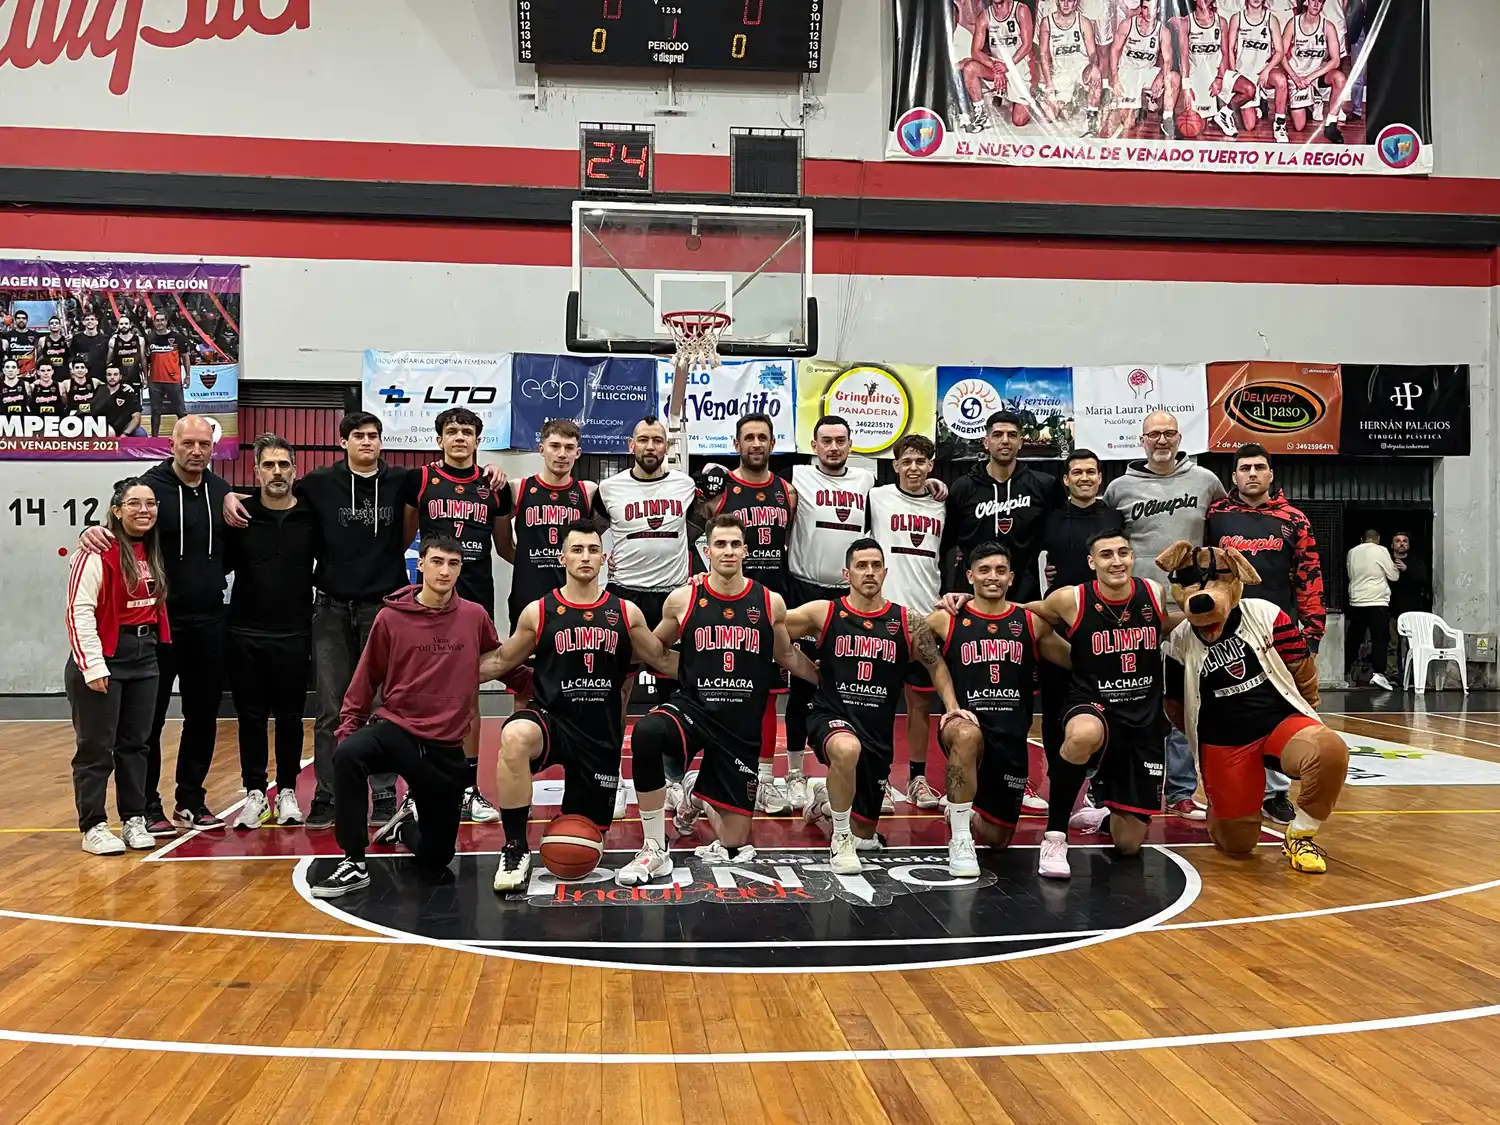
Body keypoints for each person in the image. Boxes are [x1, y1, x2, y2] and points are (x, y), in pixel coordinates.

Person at [616, 514, 819, 886]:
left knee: (732, 844)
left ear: (746, 550)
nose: (728, 551)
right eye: (720, 544)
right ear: (707, 551)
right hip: (694, 708)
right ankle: (653, 847)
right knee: (647, 733)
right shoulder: (684, 597)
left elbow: (787, 657)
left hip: (739, 726)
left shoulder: (769, 602)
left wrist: (827, 680)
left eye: (735, 544)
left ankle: (695, 792)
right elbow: (655, 649)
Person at [487, 519, 679, 890]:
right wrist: (441, 669)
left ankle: (573, 816)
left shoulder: (625, 613)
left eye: (593, 550)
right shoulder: (539, 611)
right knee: (515, 736)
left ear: (604, 558)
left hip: (599, 736)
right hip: (551, 721)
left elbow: (662, 659)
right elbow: (499, 661)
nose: (585, 557)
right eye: (577, 550)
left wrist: (720, 661)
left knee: (581, 846)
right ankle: (514, 848)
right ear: (562, 558)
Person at [310, 538, 504, 898]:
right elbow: (366, 676)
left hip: (444, 747)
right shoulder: (391, 617)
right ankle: (353, 860)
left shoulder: (474, 616)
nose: (445, 571)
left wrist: (542, 688)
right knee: (350, 755)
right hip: (396, 730)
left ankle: (404, 830)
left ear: (461, 568)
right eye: (437, 562)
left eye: (453, 563)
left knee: (437, 858)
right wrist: (349, 729)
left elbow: (500, 662)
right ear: (422, 565)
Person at [81, 415, 231, 834]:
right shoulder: (149, 487)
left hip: (209, 621)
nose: (197, 451)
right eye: (189, 443)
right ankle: (146, 805)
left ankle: (192, 801)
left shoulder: (220, 491)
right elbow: (118, 526)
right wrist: (89, 532)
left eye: (205, 444)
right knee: (148, 722)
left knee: (203, 715)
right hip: (160, 622)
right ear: (172, 444)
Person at [1159, 542, 1348, 873]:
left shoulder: (1265, 614)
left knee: (1328, 750)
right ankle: (1227, 805)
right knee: (1237, 844)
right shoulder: (1178, 642)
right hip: (1225, 743)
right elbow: (1174, 704)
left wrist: (1309, 712)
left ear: (1235, 586)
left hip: (1280, 725)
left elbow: (1301, 666)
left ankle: (1301, 834)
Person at [788, 539, 975, 873]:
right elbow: (770, 624)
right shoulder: (825, 612)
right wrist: (806, 669)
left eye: (876, 565)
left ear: (886, 572)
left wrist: (951, 706)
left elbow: (936, 666)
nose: (869, 572)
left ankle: (826, 802)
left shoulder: (906, 621)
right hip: (830, 717)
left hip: (875, 732)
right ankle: (840, 839)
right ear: (847, 573)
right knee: (846, 749)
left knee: (867, 836)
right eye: (861, 565)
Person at [1025, 531, 1182, 878]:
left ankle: (1106, 811)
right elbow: (1025, 616)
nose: (1116, 561)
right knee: (1081, 735)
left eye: (1123, 553)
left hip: (1143, 718)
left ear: (1132, 557)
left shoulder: (1153, 593)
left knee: (1128, 846)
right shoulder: (1070, 599)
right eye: (1106, 555)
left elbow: (1168, 626)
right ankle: (1055, 836)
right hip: (1093, 703)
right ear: (1091, 562)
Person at [1102, 410, 1225, 822]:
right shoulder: (1118, 489)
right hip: (1134, 610)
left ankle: (1181, 791)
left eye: (1169, 433)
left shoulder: (1206, 481)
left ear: (1178, 437)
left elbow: (1222, 536)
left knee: (1182, 702)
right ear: (1142, 440)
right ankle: (1111, 786)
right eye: (1154, 434)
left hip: (1187, 610)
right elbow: (1105, 541)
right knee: (1125, 698)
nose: (1161, 440)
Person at [399, 406, 513, 823]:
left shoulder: (494, 486)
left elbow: (505, 546)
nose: (460, 437)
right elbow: (405, 538)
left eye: (467, 431)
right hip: (429, 599)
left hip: (476, 596)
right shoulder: (421, 479)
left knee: (468, 694)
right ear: (440, 438)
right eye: (452, 431)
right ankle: (417, 788)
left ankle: (469, 788)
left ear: (478, 440)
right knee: (420, 691)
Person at [927, 542, 1069, 875]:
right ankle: (960, 839)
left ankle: (961, 810)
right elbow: (901, 641)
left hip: (1011, 738)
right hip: (964, 723)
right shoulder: (945, 620)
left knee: (998, 840)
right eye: (985, 570)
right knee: (965, 734)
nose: (993, 577)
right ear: (970, 576)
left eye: (1001, 571)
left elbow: (1078, 659)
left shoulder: (1031, 623)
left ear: (1011, 577)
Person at [1204, 443, 1325, 823]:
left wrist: (1312, 631)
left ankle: (1275, 793)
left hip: (1277, 631)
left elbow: (1309, 576)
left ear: (1271, 474)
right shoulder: (1215, 517)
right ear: (1234, 476)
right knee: (1221, 710)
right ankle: (1218, 791)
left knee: (1277, 709)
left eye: (1259, 467)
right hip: (1225, 631)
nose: (1252, 474)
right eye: (1244, 468)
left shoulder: (1294, 519)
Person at [594, 413, 700, 816]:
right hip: (624, 598)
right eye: (644, 439)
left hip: (673, 599)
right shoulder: (609, 489)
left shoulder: (685, 485)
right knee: (616, 690)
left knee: (679, 688)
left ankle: (674, 780)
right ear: (631, 446)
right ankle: (612, 777)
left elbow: (702, 523)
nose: (651, 446)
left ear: (666, 447)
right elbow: (591, 529)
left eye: (658, 440)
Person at [64, 478, 170, 855]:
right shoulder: (96, 551)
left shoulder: (154, 547)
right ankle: (93, 825)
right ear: (116, 510)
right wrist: (93, 665)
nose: (144, 510)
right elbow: (79, 611)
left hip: (145, 655)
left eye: (151, 503)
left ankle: (134, 818)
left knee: (136, 745)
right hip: (105, 655)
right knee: (96, 747)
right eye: (134, 503)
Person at [784, 414, 877, 814]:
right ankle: (793, 774)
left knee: (856, 683)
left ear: (851, 443)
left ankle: (868, 773)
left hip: (849, 593)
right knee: (802, 684)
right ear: (814, 444)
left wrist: (931, 485)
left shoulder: (868, 483)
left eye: (841, 440)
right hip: (805, 589)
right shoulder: (795, 477)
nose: (834, 447)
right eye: (827, 441)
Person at [226, 435, 320, 829]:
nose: (277, 472)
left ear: (295, 470)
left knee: (290, 717)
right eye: (269, 465)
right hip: (245, 631)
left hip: (295, 632)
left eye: (284, 465)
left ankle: (285, 792)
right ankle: (253, 792)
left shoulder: (311, 516)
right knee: (249, 717)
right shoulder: (238, 515)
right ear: (256, 471)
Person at [707, 412, 796, 813]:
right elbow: (700, 536)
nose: (756, 444)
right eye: (749, 438)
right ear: (737, 443)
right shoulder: (719, 488)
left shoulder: (786, 492)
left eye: (763, 437)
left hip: (772, 600)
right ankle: (710, 772)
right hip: (725, 602)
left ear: (772, 443)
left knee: (768, 695)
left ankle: (762, 777)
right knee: (718, 689)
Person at [869, 434, 949, 811]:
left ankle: (917, 778)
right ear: (896, 464)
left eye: (922, 461)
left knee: (919, 705)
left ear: (931, 466)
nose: (914, 468)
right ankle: (880, 779)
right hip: (884, 615)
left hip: (925, 617)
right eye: (908, 461)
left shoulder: (941, 507)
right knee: (880, 704)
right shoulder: (877, 497)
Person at [1038, 448, 1122, 780]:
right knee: (1055, 702)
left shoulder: (1114, 518)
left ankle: (1099, 782)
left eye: (1091, 472)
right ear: (1066, 479)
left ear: (1101, 478)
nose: (1084, 478)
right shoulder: (1050, 518)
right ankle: (1059, 777)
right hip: (1059, 626)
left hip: (1106, 625)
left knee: (1109, 703)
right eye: (1077, 472)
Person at [941, 411, 1060, 607]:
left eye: (1012, 435)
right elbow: (947, 544)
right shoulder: (962, 488)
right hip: (972, 594)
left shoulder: (1044, 486)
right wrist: (948, 588)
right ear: (986, 442)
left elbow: (1058, 535)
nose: (1005, 440)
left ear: (1020, 442)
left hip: (1026, 594)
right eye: (997, 435)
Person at [495, 418, 595, 634]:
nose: (562, 454)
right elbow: (502, 545)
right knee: (524, 662)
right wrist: (526, 562)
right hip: (528, 593)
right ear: (542, 450)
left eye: (569, 448)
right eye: (555, 446)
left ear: (578, 453)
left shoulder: (587, 491)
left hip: (573, 592)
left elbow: (595, 534)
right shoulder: (518, 488)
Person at [961, 0, 1037, 131]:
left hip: (1018, 69)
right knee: (970, 68)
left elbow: (1027, 45)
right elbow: (975, 51)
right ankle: (981, 113)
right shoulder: (985, 16)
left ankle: (1031, 95)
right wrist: (996, 66)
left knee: (1019, 121)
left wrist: (1007, 66)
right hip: (998, 68)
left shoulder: (1020, 10)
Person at [1109, 0, 1180, 139]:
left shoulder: (1163, 31)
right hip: (1127, 71)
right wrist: (1115, 78)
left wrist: (1160, 78)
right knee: (1128, 123)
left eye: (1152, 9)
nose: (1149, 13)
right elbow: (1114, 51)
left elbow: (1168, 60)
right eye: (1145, 8)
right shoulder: (1127, 24)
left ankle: (1166, 119)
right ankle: (1142, 100)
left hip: (1147, 72)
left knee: (1174, 78)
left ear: (1158, 10)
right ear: (1141, 8)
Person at [1282, 0, 1346, 143]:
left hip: (1315, 75)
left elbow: (1336, 60)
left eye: (1320, 1)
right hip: (1297, 76)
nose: (1316, 4)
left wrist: (1310, 78)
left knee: (1340, 78)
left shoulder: (1328, 26)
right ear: (1306, 2)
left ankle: (1331, 124)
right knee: (1299, 126)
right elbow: (1281, 55)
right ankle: (1299, 103)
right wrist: (1295, 77)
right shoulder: (1293, 24)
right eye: (1313, 0)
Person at [1226, 0, 1289, 141]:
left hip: (1262, 73)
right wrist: (1234, 74)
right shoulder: (1237, 18)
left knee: (1281, 80)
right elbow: (1230, 49)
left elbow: (1279, 51)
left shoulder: (1271, 19)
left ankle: (1279, 125)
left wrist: (1267, 70)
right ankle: (1259, 102)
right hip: (1245, 74)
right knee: (1250, 126)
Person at [1038, 0, 1103, 133]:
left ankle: (1092, 114)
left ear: (1076, 2)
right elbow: (1043, 56)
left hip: (1081, 71)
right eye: (1062, 0)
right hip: (1060, 73)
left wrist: (1094, 66)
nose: (1066, 4)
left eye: (1070, 0)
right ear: (1057, 1)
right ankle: (1069, 103)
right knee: (1048, 116)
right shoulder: (1047, 22)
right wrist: (1049, 84)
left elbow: (1093, 53)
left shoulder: (1084, 22)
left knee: (1096, 75)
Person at [1345, 529, 1397, 690]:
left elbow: (1349, 573)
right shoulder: (1381, 551)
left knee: (1354, 638)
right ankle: (1379, 673)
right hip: (1377, 600)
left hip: (1357, 600)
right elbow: (1393, 575)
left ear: (1362, 539)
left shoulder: (1352, 552)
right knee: (1380, 637)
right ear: (1378, 539)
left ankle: (1345, 671)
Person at [1388, 531, 1430, 679]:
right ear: (1392, 545)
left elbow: (1423, 580)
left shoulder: (1416, 562)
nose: (1401, 544)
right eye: (1398, 541)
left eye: (1405, 541)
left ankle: (1410, 675)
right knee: (1392, 645)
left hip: (1411, 611)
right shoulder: (1386, 560)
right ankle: (1392, 675)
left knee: (1410, 645)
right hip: (1391, 610)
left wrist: (1406, 570)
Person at [144, 311, 190, 438]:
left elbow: (185, 357)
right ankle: (154, 438)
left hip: (173, 380)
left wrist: (187, 376)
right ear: (154, 322)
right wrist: (146, 378)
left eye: (162, 320)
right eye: (157, 320)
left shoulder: (177, 337)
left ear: (166, 322)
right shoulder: (149, 338)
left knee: (180, 411)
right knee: (155, 412)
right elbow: (146, 360)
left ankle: (185, 436)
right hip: (155, 381)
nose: (159, 323)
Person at [106, 315, 149, 420]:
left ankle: (136, 430)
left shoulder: (140, 340)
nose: (124, 326)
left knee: (136, 407)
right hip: (119, 379)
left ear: (130, 325)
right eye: (121, 324)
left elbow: (143, 359)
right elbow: (108, 362)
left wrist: (146, 378)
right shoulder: (113, 341)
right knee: (118, 406)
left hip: (134, 377)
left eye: (126, 323)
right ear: (118, 326)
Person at [90, 363, 142, 436]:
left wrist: (125, 433)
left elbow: (136, 416)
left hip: (122, 429)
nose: (112, 377)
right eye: (109, 375)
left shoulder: (128, 392)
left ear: (120, 376)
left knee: (141, 434)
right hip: (102, 429)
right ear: (106, 376)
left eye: (115, 374)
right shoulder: (99, 390)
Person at [68, 311, 109, 381]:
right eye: (87, 319)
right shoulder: (76, 338)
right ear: (83, 322)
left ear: (97, 322)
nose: (90, 321)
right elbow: (72, 356)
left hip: (101, 376)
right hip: (82, 377)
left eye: (92, 319)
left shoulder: (105, 338)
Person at [1, 308, 37, 375]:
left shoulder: (35, 335)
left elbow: (39, 352)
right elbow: (4, 354)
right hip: (12, 373)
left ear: (27, 320)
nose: (21, 320)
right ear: (15, 320)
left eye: (23, 318)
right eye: (18, 318)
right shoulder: (7, 335)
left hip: (30, 374)